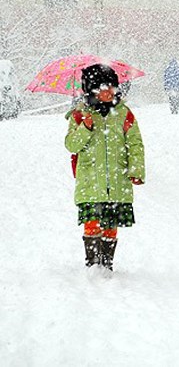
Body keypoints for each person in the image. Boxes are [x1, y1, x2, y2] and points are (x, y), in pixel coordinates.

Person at [65, 64, 145, 272]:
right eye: (103, 88)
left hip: (117, 180)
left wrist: (136, 170)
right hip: (91, 181)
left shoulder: (123, 114)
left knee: (110, 223)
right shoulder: (79, 115)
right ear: (91, 90)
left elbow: (135, 143)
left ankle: (107, 263)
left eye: (112, 87)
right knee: (92, 222)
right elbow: (71, 145)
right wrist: (86, 127)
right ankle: (93, 264)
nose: (109, 92)